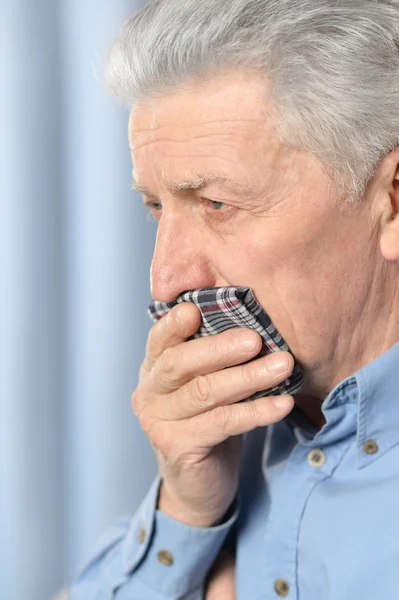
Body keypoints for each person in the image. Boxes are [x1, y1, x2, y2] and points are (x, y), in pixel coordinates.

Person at [70, 1, 399, 598]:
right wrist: (185, 510)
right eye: (156, 207)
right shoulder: (216, 450)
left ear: (393, 201)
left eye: (217, 205)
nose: (165, 279)